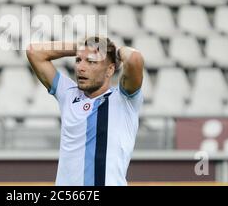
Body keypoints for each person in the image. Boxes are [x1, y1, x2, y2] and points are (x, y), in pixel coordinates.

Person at [26, 36, 144, 186]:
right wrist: (81, 47)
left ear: (110, 70)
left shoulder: (123, 100)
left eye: (91, 62)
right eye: (78, 60)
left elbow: (134, 59)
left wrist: (116, 51)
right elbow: (33, 52)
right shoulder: (68, 94)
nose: (81, 67)